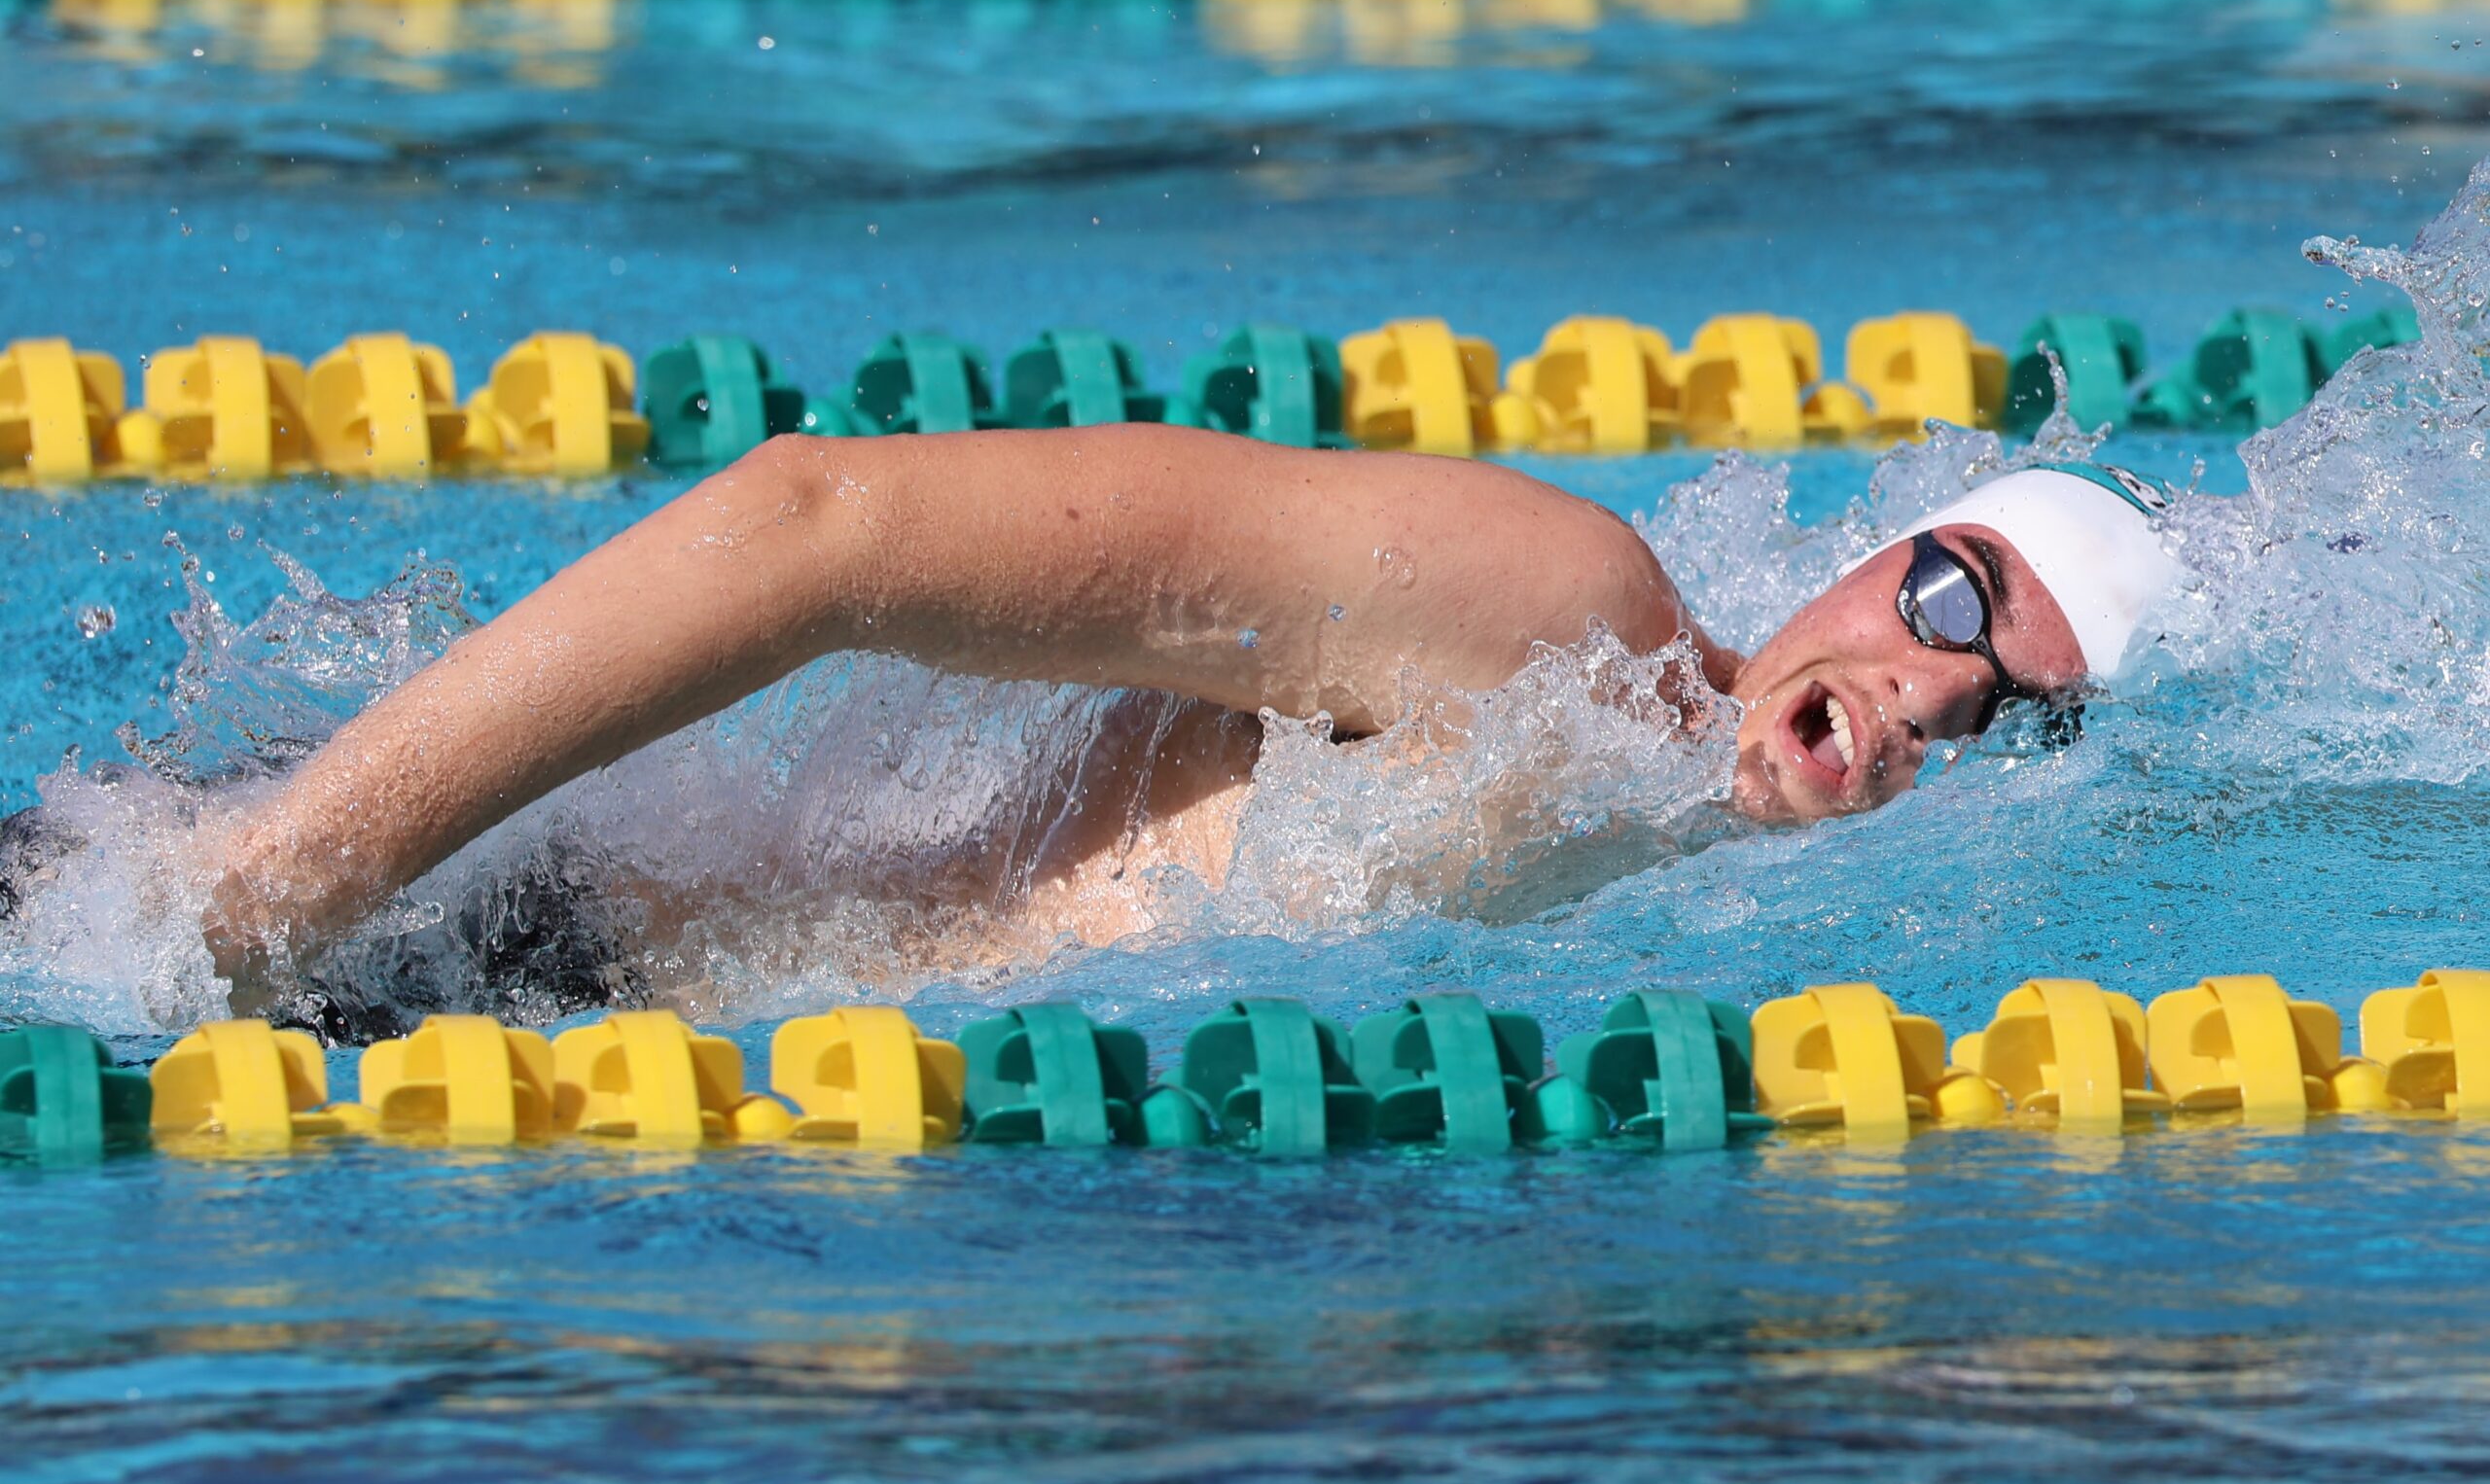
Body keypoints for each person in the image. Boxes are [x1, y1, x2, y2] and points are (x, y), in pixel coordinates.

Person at [184, 426, 2175, 1007]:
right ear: (1872, 552)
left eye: (1996, 720)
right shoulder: (1556, 617)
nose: (1922, 690)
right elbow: (816, 525)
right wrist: (281, 879)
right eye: (1947, 597)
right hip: (453, 952)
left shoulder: (1695, 912)